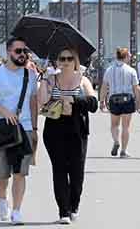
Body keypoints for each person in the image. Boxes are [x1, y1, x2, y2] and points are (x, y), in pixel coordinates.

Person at [0, 37, 38, 225]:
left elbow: (33, 102)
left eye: (25, 51)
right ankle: (2, 197)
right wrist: (3, 111)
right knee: (1, 174)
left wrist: (35, 128)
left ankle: (17, 211)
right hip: (1, 129)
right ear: (8, 52)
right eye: (18, 51)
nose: (22, 54)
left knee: (20, 173)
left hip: (24, 128)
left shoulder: (31, 75)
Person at [38, 47, 98, 225]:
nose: (65, 62)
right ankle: (64, 211)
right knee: (59, 170)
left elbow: (93, 104)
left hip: (77, 129)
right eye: (62, 59)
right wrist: (43, 80)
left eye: (69, 59)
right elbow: (42, 101)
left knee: (77, 172)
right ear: (57, 61)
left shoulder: (83, 80)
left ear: (75, 61)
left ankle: (74, 205)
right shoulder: (51, 79)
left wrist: (74, 100)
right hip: (54, 129)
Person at [99, 48, 140, 158]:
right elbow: (136, 88)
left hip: (114, 99)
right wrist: (139, 102)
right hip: (128, 99)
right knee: (125, 127)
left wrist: (101, 101)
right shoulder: (131, 70)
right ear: (125, 57)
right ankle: (123, 151)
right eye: (129, 56)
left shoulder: (109, 70)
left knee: (114, 125)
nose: (130, 58)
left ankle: (116, 141)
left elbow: (104, 86)